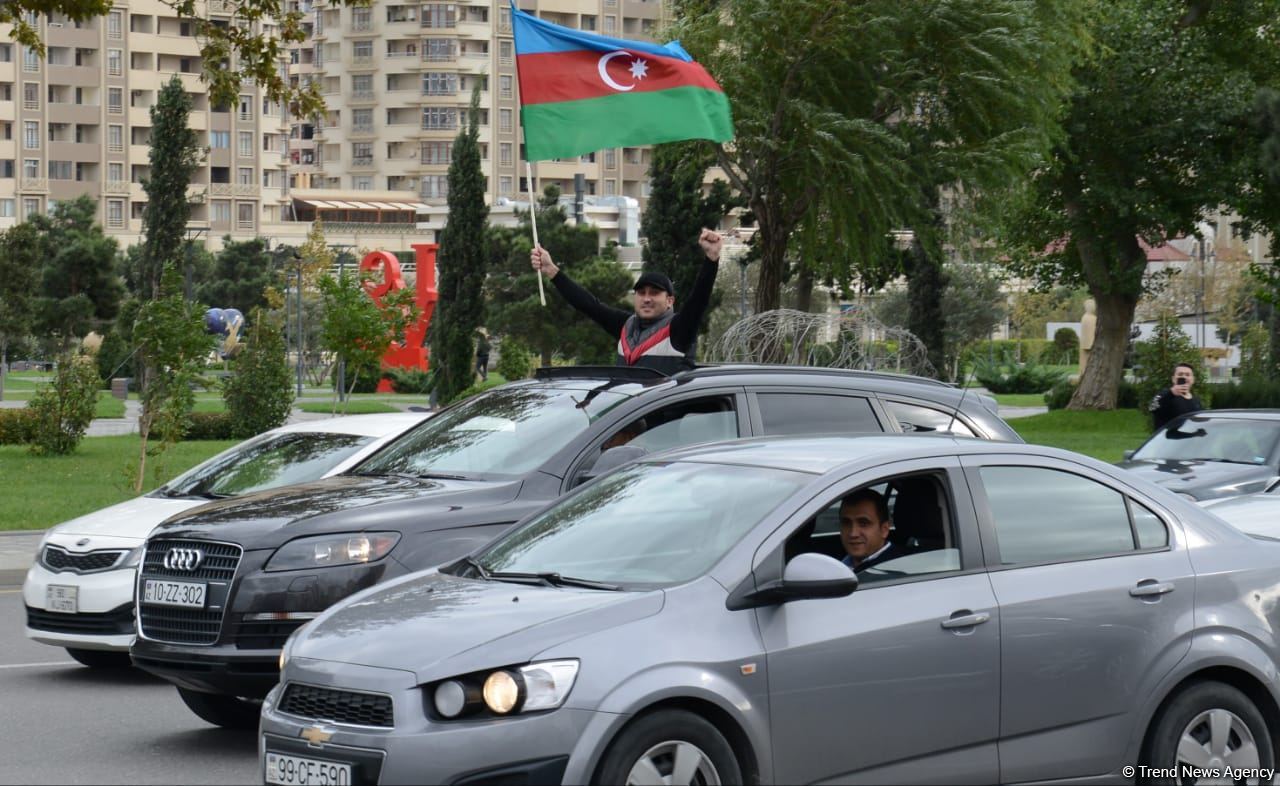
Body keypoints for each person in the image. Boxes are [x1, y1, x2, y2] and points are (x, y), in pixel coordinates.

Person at [530, 228, 723, 374]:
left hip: (665, 426)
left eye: (655, 293)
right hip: (628, 422)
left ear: (670, 301)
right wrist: (552, 271)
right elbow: (589, 305)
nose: (646, 298)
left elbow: (699, 300)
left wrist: (711, 259)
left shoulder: (679, 329)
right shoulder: (626, 326)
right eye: (641, 292)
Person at [839, 489, 904, 573]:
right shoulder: (836, 563)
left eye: (863, 523)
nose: (853, 533)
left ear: (884, 530)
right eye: (846, 523)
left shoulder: (899, 572)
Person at [1149, 363, 1203, 431]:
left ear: (1193, 379)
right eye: (1180, 374)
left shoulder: (1196, 400)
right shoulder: (1164, 394)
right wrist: (1171, 393)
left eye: (1187, 375)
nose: (1184, 377)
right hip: (1168, 440)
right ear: (1173, 379)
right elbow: (1152, 408)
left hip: (1189, 439)